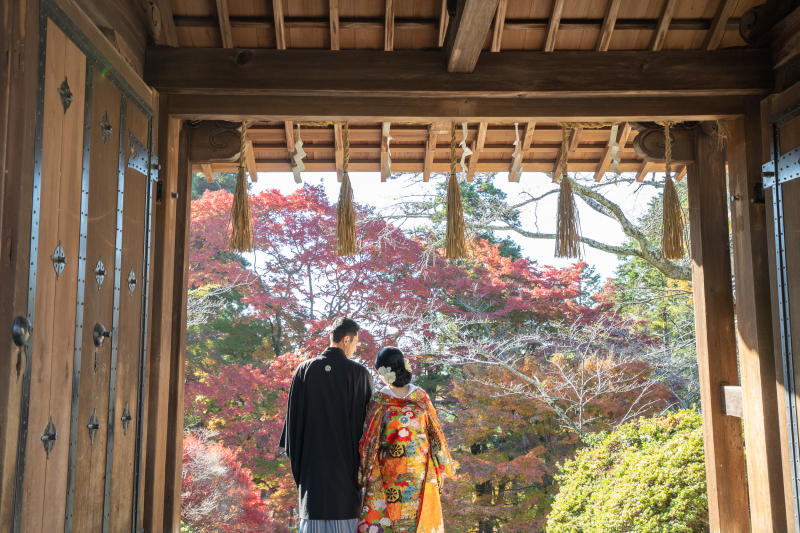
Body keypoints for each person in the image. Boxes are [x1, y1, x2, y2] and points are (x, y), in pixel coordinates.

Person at [280, 317, 374, 533]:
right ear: (346, 339)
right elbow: (370, 434)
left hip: (311, 489)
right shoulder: (359, 374)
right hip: (345, 490)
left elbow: (291, 436)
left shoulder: (303, 371)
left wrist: (303, 477)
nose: (355, 348)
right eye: (356, 343)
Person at [358, 347, 454, 533]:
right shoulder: (421, 397)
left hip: (389, 473)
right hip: (417, 472)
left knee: (390, 520)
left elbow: (368, 441)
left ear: (383, 372)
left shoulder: (379, 401)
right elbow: (437, 436)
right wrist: (442, 465)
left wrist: (362, 473)